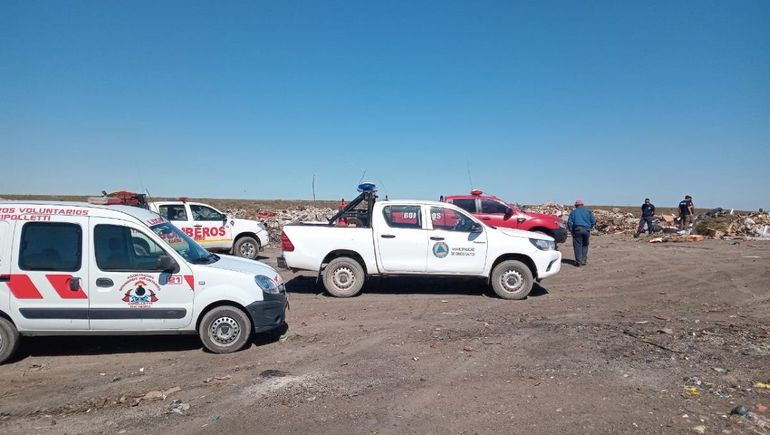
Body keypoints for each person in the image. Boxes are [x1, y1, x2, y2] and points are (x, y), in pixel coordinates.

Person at [567, 199, 596, 267]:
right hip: (586, 230)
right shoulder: (588, 212)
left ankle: (578, 261)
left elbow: (570, 223)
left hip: (577, 230)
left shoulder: (573, 212)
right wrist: (589, 228)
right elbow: (593, 221)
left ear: (576, 205)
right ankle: (583, 260)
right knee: (585, 245)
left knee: (577, 245)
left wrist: (571, 230)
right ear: (582, 205)